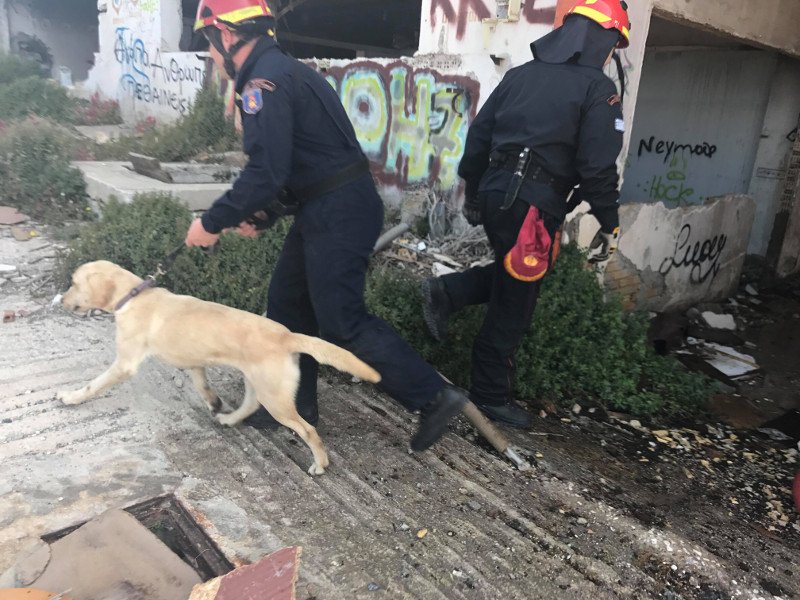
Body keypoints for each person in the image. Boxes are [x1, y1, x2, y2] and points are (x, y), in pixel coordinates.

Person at [184, 0, 467, 452]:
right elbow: (306, 161)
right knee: (288, 306)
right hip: (329, 205)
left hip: (337, 212)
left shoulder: (263, 84)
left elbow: (266, 172)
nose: (211, 57)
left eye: (209, 45)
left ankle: (433, 396)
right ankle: (293, 407)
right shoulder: (287, 72)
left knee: (341, 320)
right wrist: (264, 213)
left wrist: (212, 222)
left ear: (229, 35)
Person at [421, 0, 631, 428]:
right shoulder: (598, 90)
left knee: (513, 272)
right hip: (533, 205)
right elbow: (596, 169)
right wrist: (610, 221)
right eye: (613, 45)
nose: (611, 55)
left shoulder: (519, 76)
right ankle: (489, 395)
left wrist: (475, 191)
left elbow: (478, 138)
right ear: (602, 39)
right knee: (516, 301)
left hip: (499, 194)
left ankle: (449, 293)